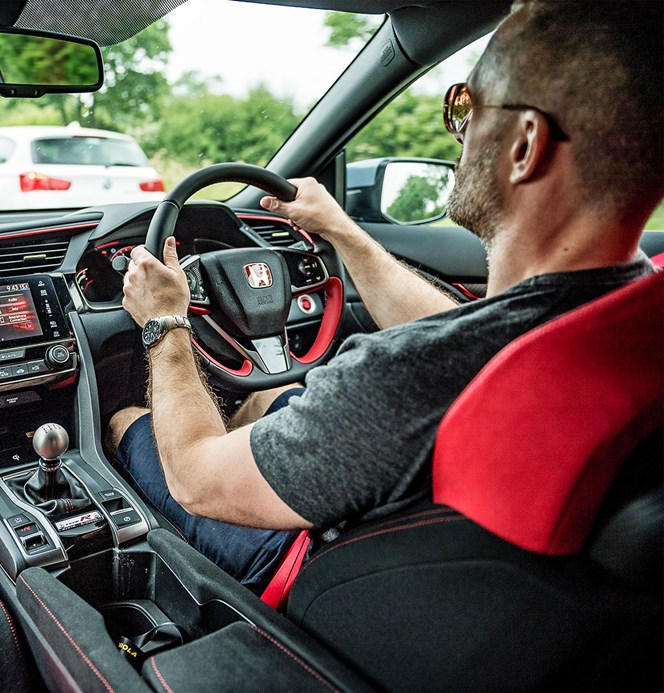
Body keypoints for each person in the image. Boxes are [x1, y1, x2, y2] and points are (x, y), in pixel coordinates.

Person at [107, 0, 664, 592]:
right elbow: (474, 340)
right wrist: (343, 232)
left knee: (126, 420)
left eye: (467, 107)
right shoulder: (619, 322)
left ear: (524, 145)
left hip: (321, 576)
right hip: (479, 587)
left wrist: (165, 325)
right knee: (271, 400)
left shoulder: (406, 378)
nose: (457, 132)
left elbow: (195, 480)